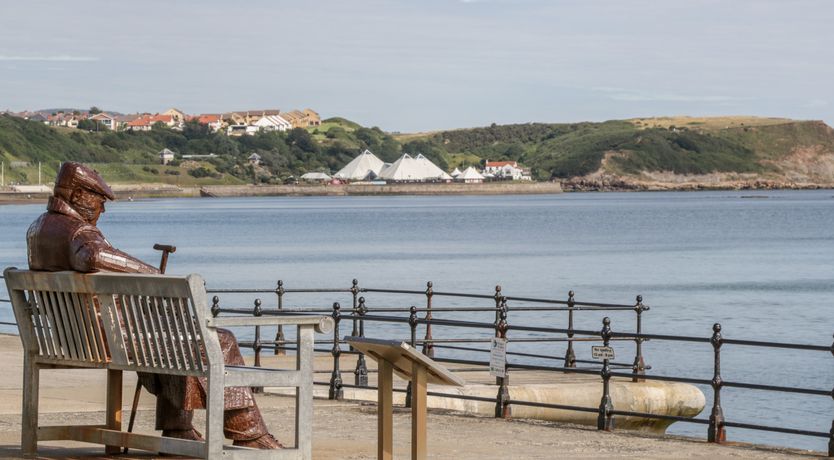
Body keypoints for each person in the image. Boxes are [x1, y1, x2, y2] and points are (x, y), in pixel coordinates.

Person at [26, 162, 282, 449]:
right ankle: (249, 434)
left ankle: (178, 429)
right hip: (107, 341)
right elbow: (94, 255)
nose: (102, 208)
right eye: (99, 199)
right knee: (219, 340)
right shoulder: (78, 232)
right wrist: (156, 277)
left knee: (179, 338)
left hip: (73, 337)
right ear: (76, 195)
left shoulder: (38, 228)